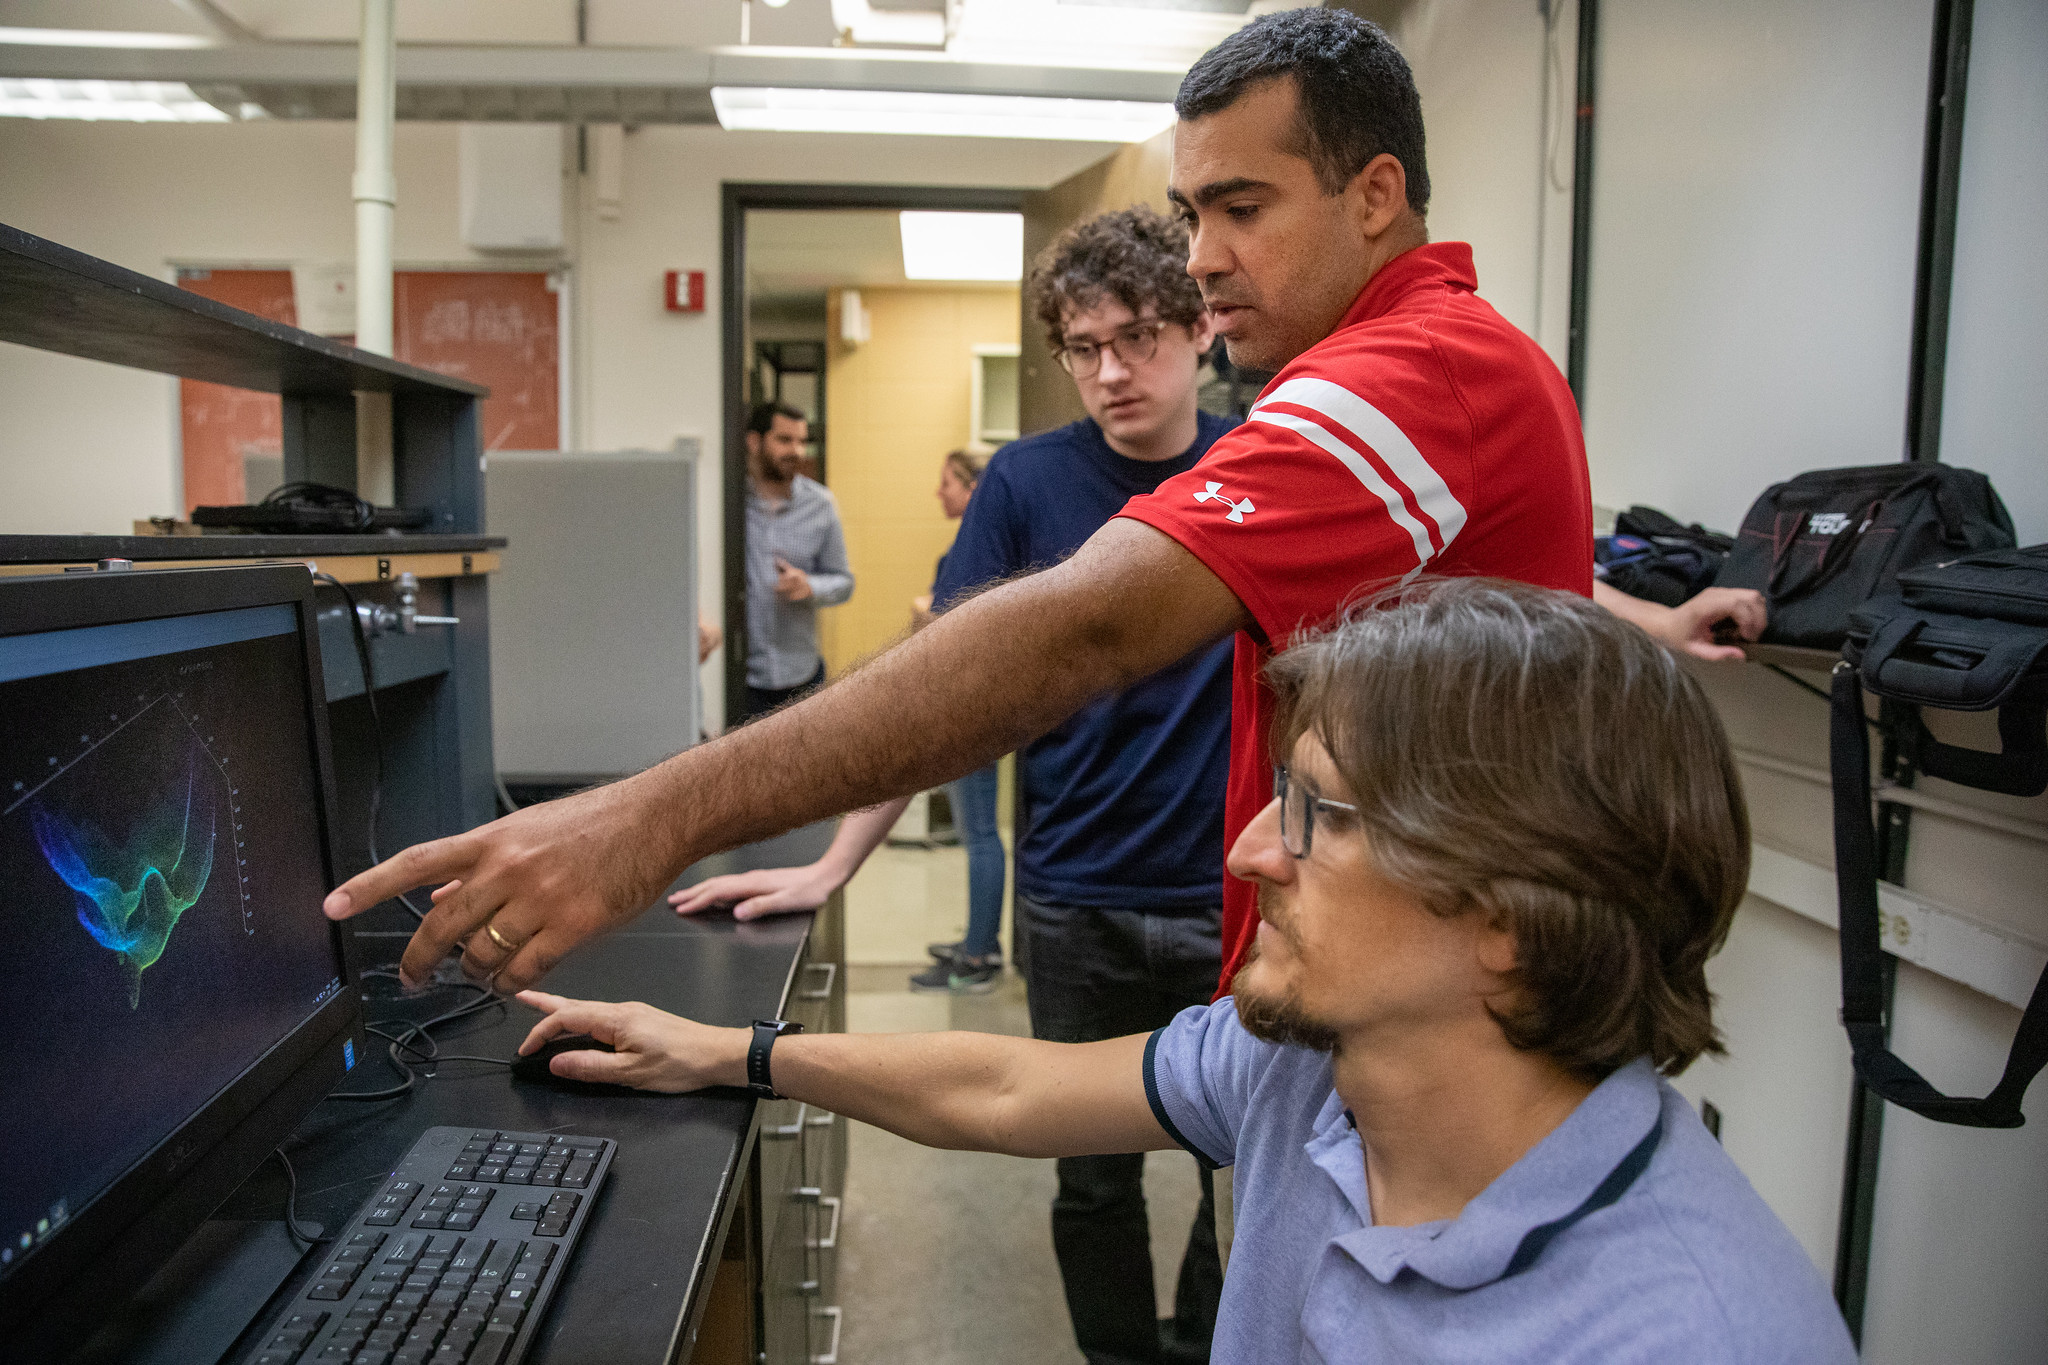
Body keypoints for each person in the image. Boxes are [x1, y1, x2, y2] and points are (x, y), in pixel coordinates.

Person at [323, 9, 1763, 1024]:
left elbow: (1083, 628)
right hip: (1306, 966)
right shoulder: (1402, 382)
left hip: (1433, 1015)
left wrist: (644, 819)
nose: (1205, 261)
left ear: (1374, 193)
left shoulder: (1409, 372)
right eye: (1191, 214)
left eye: (1243, 208)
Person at [510, 579, 1856, 1365]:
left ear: (1506, 914)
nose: (1249, 850)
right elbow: (1008, 1089)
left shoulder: (1689, 1331)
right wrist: (730, 1054)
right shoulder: (1307, 1070)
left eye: (1315, 814)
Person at [676, 207, 1236, 1365]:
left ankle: (1202, 1343)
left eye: (1136, 337)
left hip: (1230, 894)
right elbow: (940, 696)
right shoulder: (1025, 483)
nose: (1110, 372)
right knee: (1092, 1179)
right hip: (1075, 896)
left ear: (1198, 329)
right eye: (1082, 348)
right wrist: (835, 862)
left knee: (1241, 1168)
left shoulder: (1256, 466)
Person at [738, 400, 852, 725]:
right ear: (754, 441)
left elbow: (844, 582)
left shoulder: (821, 505)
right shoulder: (730, 504)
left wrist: (810, 586)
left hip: (802, 678)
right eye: (784, 440)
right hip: (743, 682)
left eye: (801, 441)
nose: (797, 451)